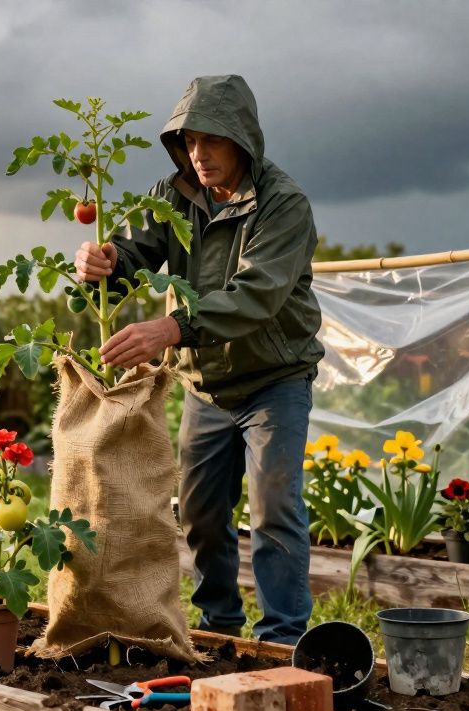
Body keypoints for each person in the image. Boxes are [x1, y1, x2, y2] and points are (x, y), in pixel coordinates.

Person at [73, 74, 324, 644]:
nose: (199, 154)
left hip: (274, 380)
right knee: (202, 514)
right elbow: (135, 253)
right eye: (188, 141)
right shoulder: (174, 195)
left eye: (212, 140)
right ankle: (220, 628)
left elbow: (255, 295)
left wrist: (172, 327)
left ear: (242, 140)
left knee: (272, 505)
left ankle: (283, 638)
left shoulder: (283, 205)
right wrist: (102, 266)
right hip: (206, 385)